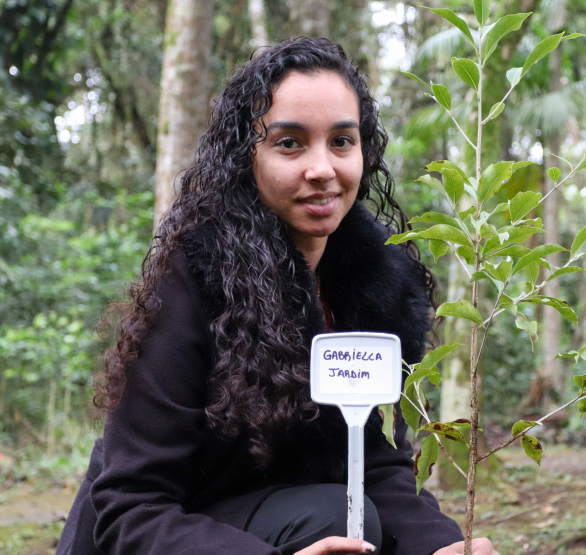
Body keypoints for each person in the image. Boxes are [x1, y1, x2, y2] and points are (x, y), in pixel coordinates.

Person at [57, 37, 499, 555]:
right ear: (248, 156)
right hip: (159, 537)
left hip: (284, 523)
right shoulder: (195, 281)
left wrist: (442, 547)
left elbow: (376, 465)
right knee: (332, 517)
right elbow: (131, 508)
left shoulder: (374, 287)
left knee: (350, 513)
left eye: (341, 141)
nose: (322, 169)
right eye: (290, 143)